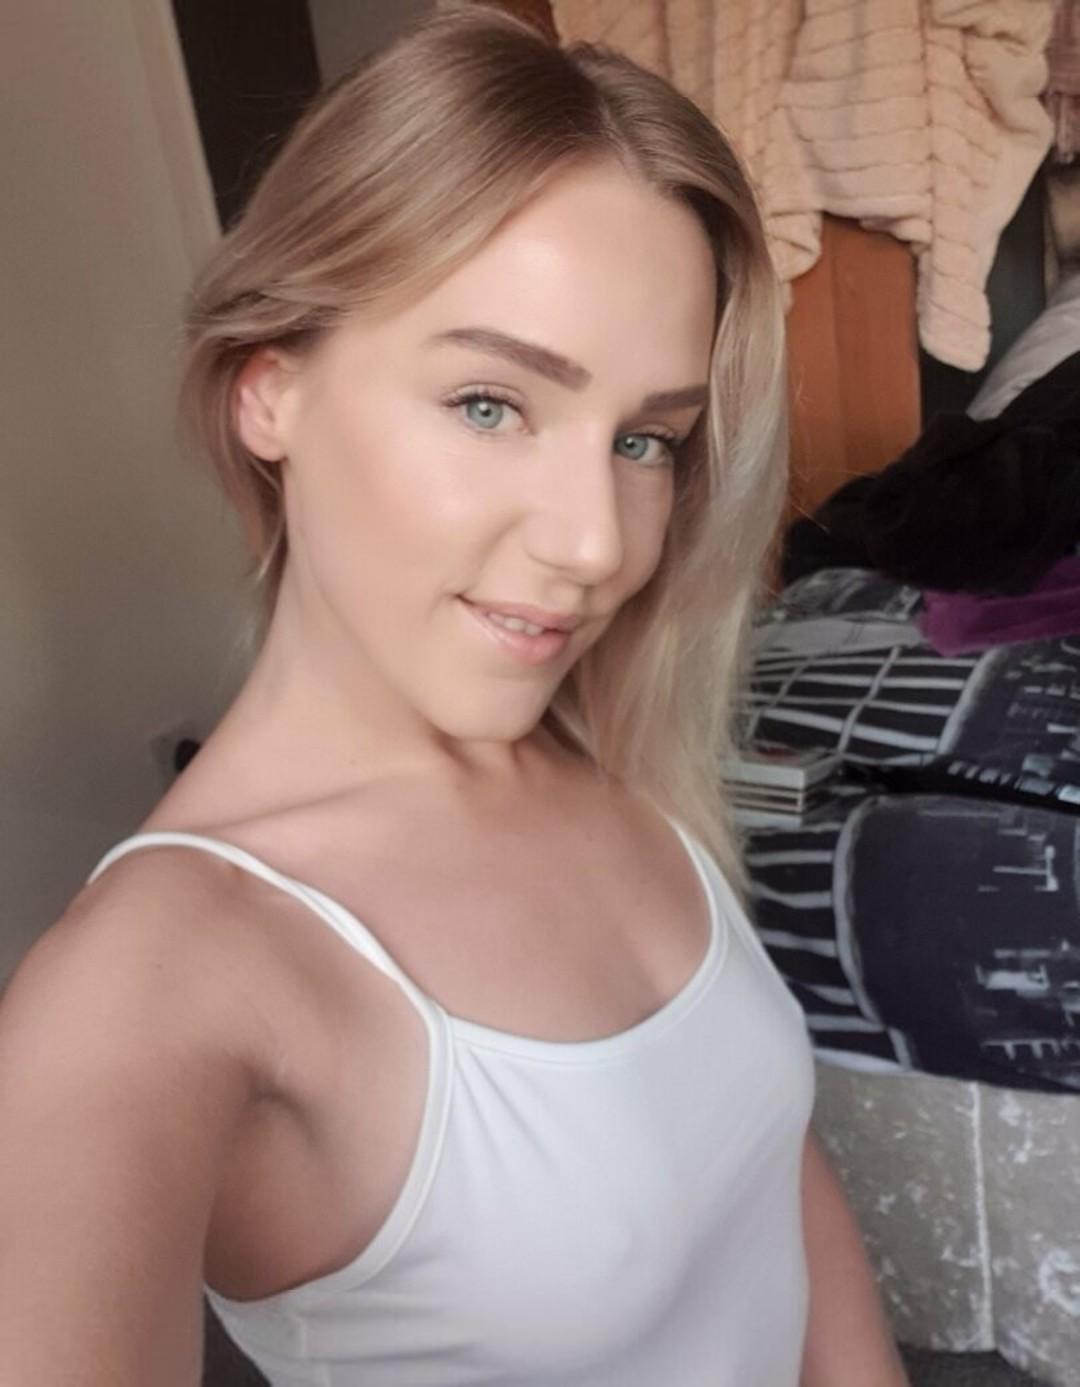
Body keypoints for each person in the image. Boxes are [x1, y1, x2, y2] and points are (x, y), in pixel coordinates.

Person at [0, 8, 911, 1384]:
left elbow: (768, 1173)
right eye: (491, 404)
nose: (595, 544)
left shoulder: (608, 759)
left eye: (646, 440)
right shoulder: (145, 990)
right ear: (269, 392)